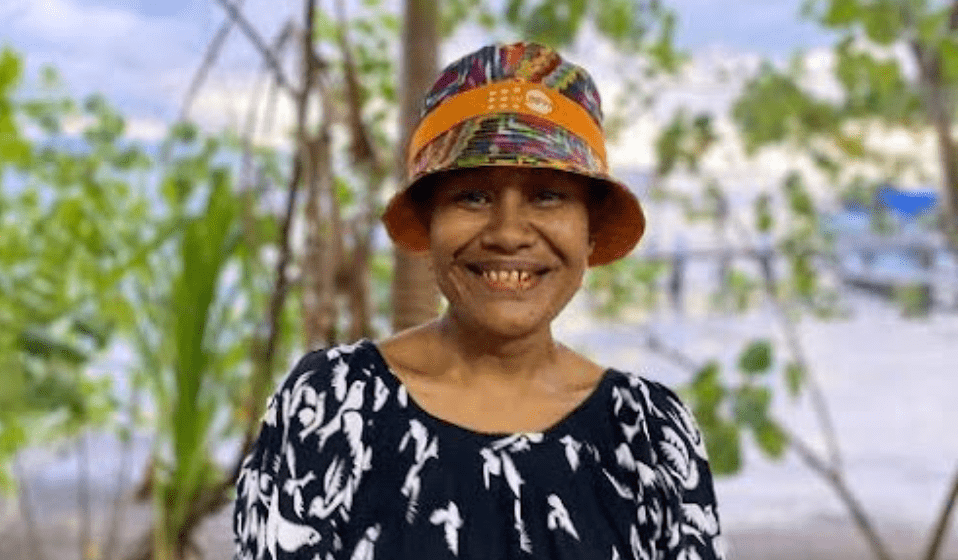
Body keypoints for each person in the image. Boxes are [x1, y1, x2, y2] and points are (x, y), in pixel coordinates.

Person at [233, 42, 725, 560]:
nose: (508, 233)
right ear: (428, 222)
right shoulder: (334, 407)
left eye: (547, 195)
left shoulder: (648, 434)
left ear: (591, 231)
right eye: (473, 196)